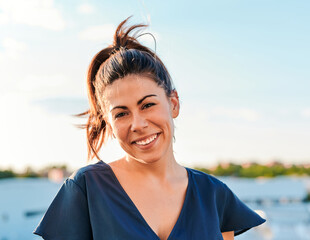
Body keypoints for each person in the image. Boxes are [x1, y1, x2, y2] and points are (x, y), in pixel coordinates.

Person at [33, 17, 265, 240]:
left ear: (173, 104)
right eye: (121, 113)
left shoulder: (214, 195)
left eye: (148, 105)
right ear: (110, 125)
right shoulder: (85, 190)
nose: (138, 124)